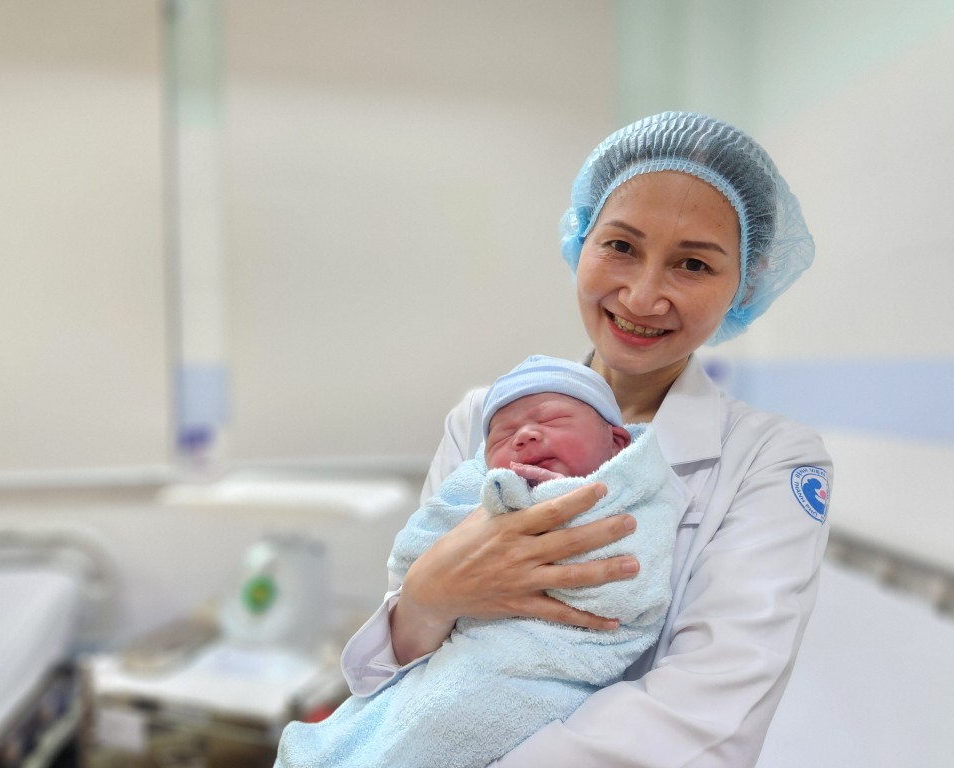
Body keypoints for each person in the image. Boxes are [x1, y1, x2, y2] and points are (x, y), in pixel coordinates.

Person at [342, 111, 832, 767]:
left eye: (692, 264)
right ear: (581, 237)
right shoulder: (484, 417)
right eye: (621, 246)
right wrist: (427, 599)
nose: (642, 296)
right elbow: (396, 662)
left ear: (745, 281)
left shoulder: (769, 460)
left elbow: (708, 714)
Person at [275, 355, 690, 767]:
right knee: (366, 733)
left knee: (432, 728)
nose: (525, 435)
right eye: (503, 436)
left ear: (617, 442)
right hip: (456, 660)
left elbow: (633, 594)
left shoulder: (639, 495)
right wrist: (428, 588)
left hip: (549, 673)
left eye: (553, 420)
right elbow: (417, 553)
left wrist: (558, 504)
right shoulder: (475, 490)